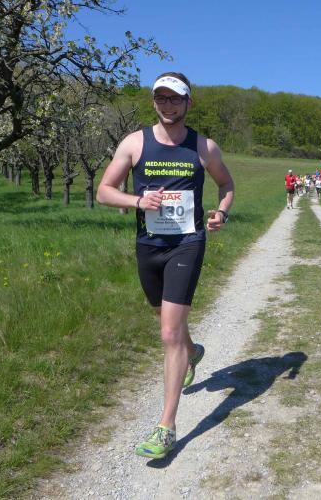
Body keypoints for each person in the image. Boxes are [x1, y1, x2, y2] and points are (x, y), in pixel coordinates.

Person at [97, 71, 234, 459]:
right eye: (161, 98)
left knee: (169, 332)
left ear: (189, 102)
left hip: (187, 244)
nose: (168, 105)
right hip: (148, 245)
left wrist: (221, 212)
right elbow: (104, 191)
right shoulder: (134, 143)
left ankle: (166, 426)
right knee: (164, 318)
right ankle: (192, 351)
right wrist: (138, 202)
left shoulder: (204, 147)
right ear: (153, 102)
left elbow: (226, 185)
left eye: (175, 98)